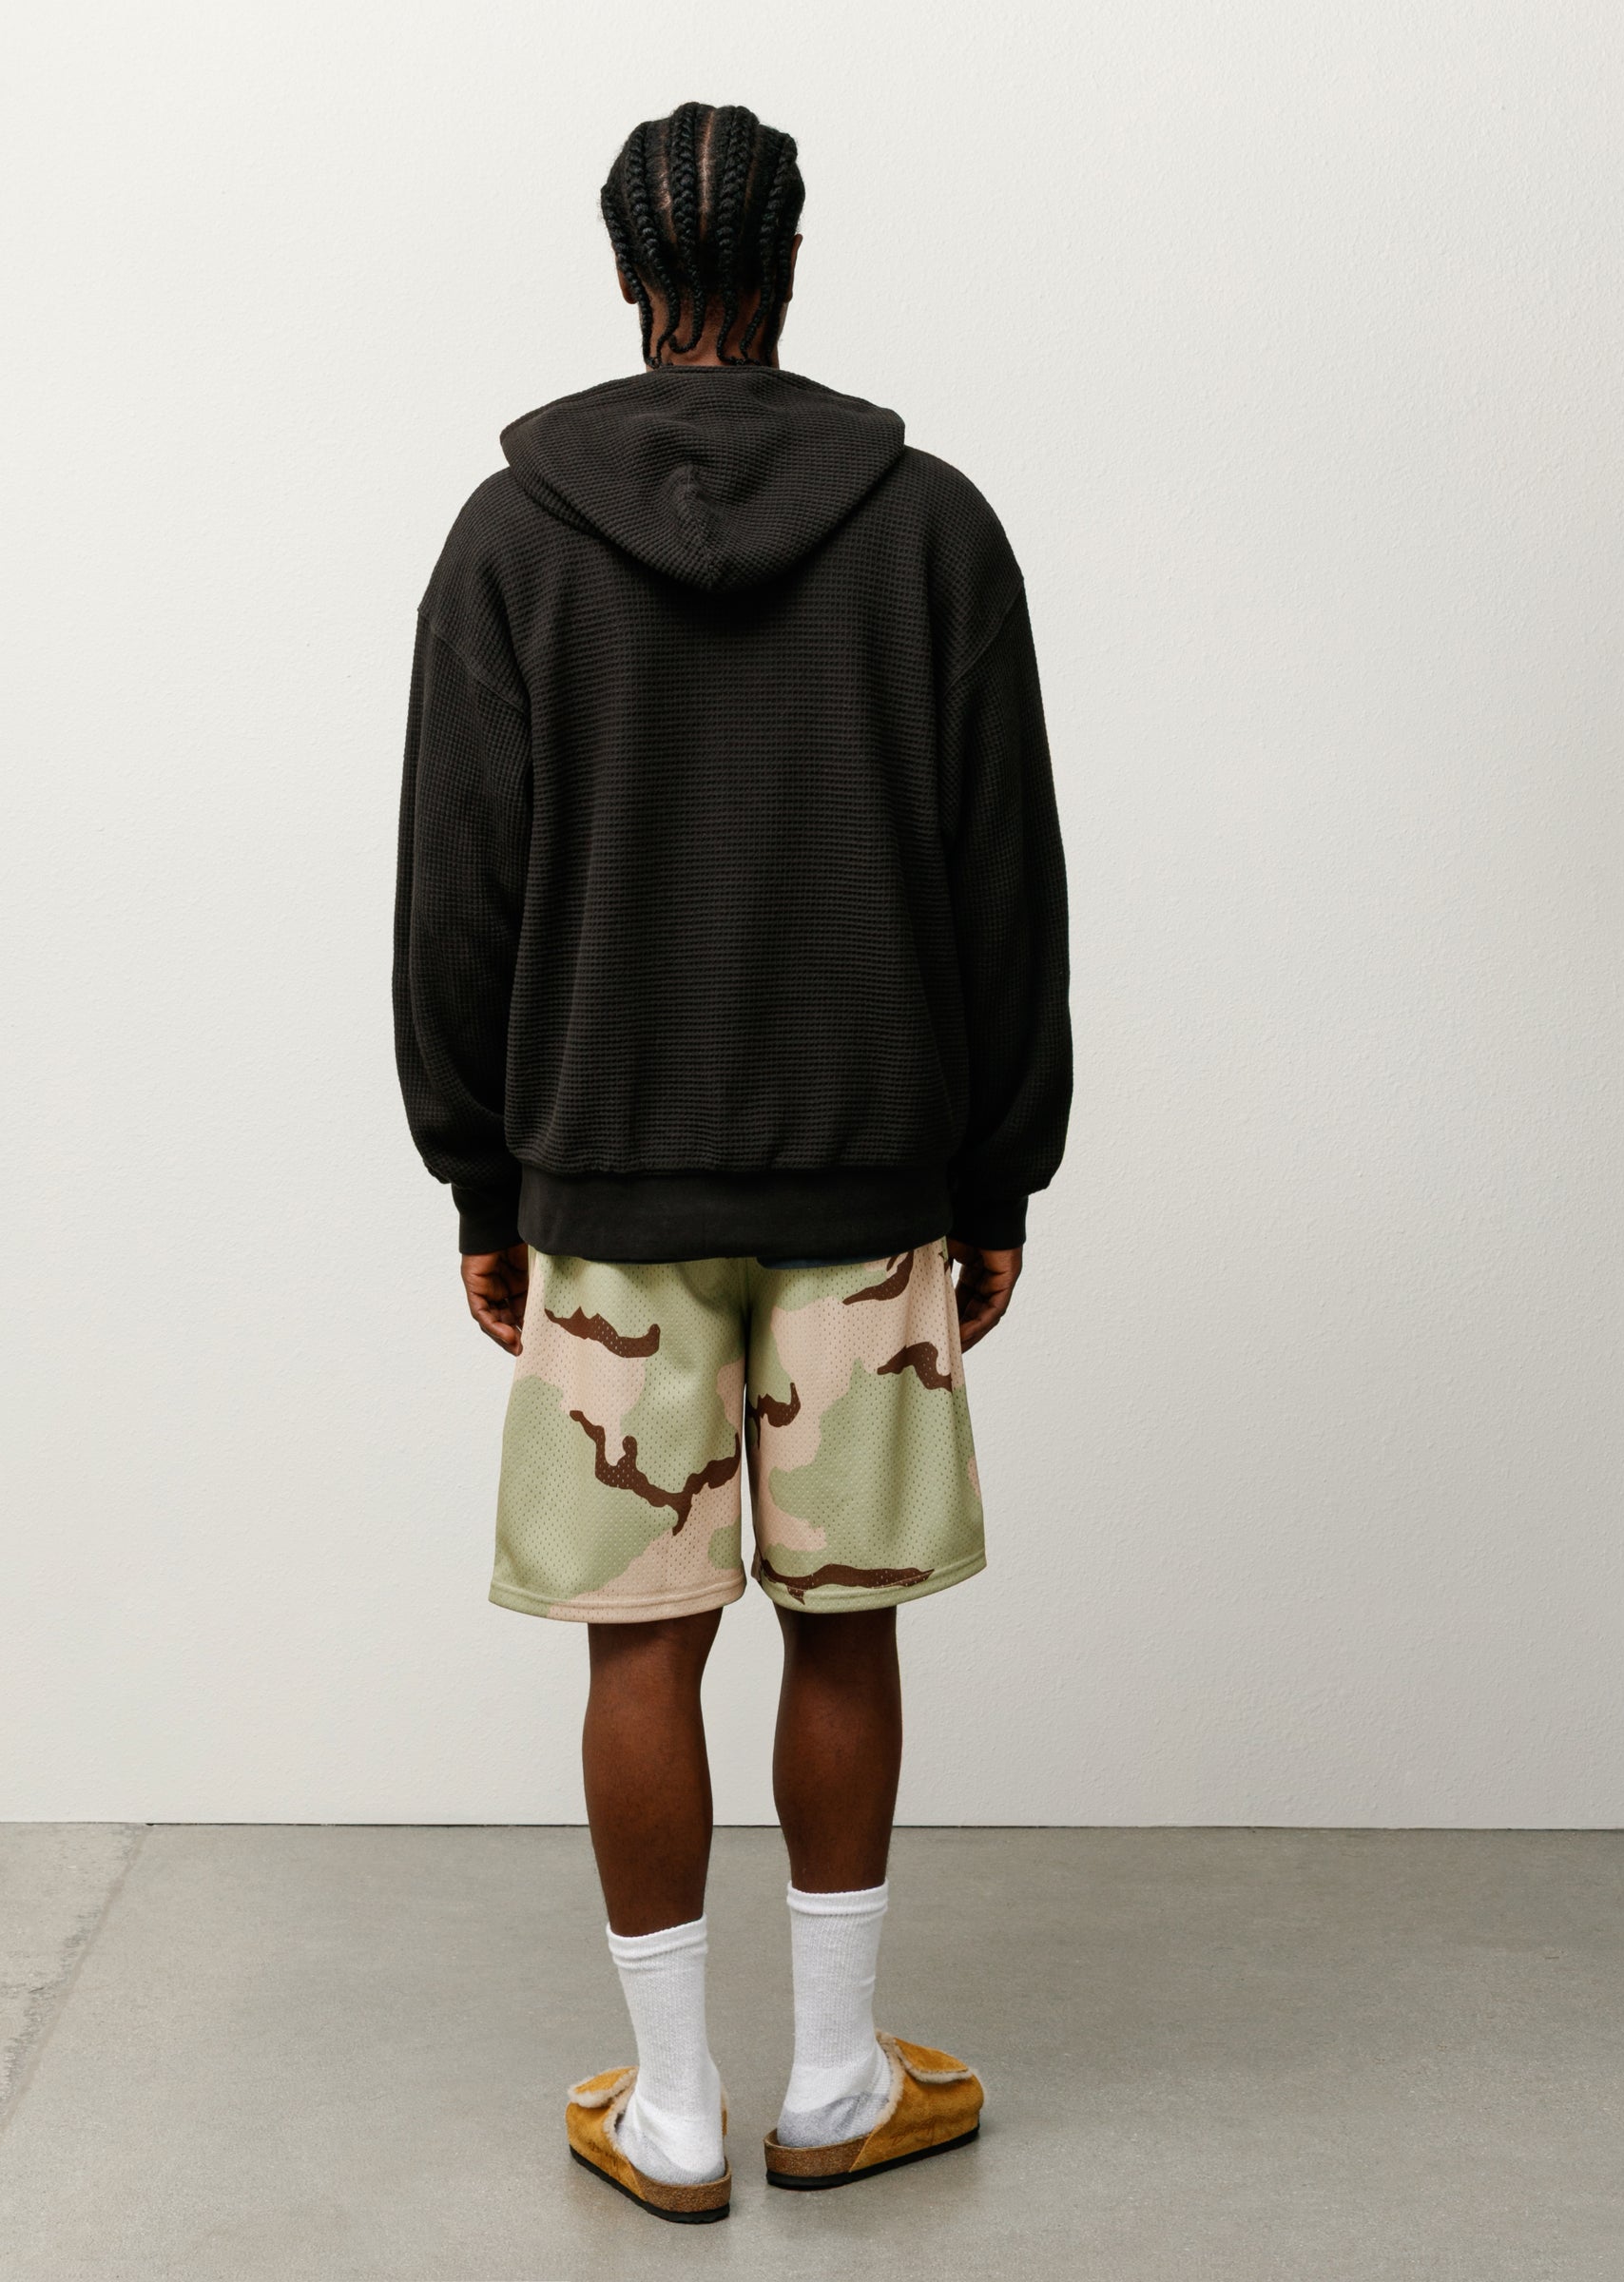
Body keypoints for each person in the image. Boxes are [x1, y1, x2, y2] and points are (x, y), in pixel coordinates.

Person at [392, 99, 1072, 2225]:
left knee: (642, 1647)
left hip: (608, 1190)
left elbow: (455, 891)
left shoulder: (512, 541)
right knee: (844, 1634)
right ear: (789, 266)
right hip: (869, 1179)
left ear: (627, 275)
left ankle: (675, 2108)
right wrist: (1000, 1178)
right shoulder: (931, 529)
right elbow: (1007, 880)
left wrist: (481, 1184)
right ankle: (841, 2082)